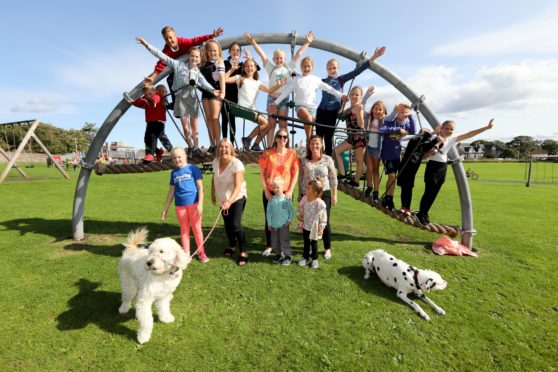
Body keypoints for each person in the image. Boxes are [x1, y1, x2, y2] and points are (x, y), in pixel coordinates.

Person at [136, 37, 220, 157]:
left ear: (199, 59)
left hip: (192, 99)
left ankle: (196, 148)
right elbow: (162, 56)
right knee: (186, 128)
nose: (194, 58)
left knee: (195, 128)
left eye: (197, 57)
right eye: (192, 56)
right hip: (180, 99)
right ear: (188, 56)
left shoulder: (197, 72)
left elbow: (205, 84)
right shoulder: (178, 65)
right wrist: (147, 45)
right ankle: (191, 147)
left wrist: (213, 91)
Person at [416, 119, 494, 226]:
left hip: (442, 167)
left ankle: (424, 213)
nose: (448, 131)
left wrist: (486, 128)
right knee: (428, 192)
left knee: (434, 193)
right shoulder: (434, 138)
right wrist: (431, 150)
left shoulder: (451, 140)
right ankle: (421, 214)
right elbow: (422, 150)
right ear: (441, 128)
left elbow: (469, 134)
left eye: (451, 129)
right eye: (446, 128)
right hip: (432, 166)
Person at [244, 31, 313, 146]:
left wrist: (307, 42)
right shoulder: (271, 68)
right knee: (271, 125)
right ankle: (270, 147)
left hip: (283, 100)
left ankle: (284, 146)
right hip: (272, 99)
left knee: (283, 125)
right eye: (276, 59)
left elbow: (298, 54)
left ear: (285, 59)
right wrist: (253, 42)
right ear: (274, 59)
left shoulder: (288, 68)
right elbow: (262, 55)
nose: (279, 60)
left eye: (281, 58)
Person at [316, 46, 386, 156]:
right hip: (320, 111)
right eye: (329, 68)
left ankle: (328, 163)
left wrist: (374, 57)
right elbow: (307, 81)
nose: (332, 70)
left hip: (332, 112)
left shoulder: (341, 79)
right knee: (318, 138)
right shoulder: (322, 81)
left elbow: (357, 72)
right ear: (326, 69)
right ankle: (316, 159)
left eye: (334, 68)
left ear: (338, 69)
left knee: (328, 137)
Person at [272, 56, 346, 143]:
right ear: (301, 67)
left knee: (310, 124)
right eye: (304, 66)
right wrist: (275, 102)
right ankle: (309, 139)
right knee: (308, 119)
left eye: (308, 66)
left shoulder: (316, 79)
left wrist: (341, 95)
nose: (306, 68)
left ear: (312, 67)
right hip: (300, 107)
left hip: (312, 110)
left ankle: (309, 144)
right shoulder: (296, 80)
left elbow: (329, 89)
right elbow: (286, 92)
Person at [224, 58, 286, 151]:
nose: (249, 68)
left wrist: (279, 85)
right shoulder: (240, 78)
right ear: (244, 68)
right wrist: (232, 69)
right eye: (247, 66)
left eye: (252, 66)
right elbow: (224, 79)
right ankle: (247, 139)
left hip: (251, 109)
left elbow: (269, 90)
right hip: (241, 108)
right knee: (265, 122)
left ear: (255, 68)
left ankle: (255, 144)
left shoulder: (258, 83)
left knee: (268, 124)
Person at [143, 26, 223, 97]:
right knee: (170, 79)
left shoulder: (183, 42)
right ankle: (175, 100)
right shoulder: (167, 50)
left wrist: (212, 36)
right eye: (166, 39)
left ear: (175, 35)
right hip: (182, 67)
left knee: (199, 78)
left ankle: (209, 91)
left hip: (193, 64)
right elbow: (161, 63)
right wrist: (153, 77)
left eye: (170, 37)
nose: (169, 41)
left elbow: (195, 40)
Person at [161, 147, 209, 263]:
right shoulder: (174, 173)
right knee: (184, 230)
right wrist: (165, 209)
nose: (177, 160)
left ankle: (201, 252)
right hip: (180, 206)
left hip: (194, 204)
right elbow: (171, 191)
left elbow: (200, 187)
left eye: (179, 157)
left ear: (185, 156)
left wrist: (200, 204)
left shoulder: (193, 168)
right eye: (174, 158)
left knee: (197, 229)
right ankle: (186, 253)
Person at [258, 129, 300, 257]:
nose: (282, 139)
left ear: (287, 139)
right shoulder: (267, 154)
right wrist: (266, 191)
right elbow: (262, 174)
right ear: (276, 138)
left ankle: (283, 246)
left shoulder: (292, 154)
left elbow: (295, 172)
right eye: (280, 137)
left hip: (285, 193)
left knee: (284, 221)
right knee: (270, 219)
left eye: (285, 137)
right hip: (270, 191)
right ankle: (270, 246)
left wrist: (291, 190)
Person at [299, 135, 337, 260]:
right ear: (309, 146)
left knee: (324, 221)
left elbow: (333, 177)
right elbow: (301, 178)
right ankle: (310, 246)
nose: (314, 146)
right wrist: (300, 193)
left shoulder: (327, 159)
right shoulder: (304, 160)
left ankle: (327, 248)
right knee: (308, 220)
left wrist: (334, 194)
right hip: (308, 194)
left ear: (321, 145)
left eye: (317, 143)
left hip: (324, 193)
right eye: (312, 143)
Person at [211, 139, 249, 266]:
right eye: (221, 147)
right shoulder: (215, 161)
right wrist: (212, 192)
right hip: (223, 198)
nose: (223, 149)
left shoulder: (237, 164)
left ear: (231, 149)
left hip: (237, 197)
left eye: (226, 147)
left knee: (235, 224)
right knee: (227, 224)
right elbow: (214, 177)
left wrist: (230, 201)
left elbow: (238, 186)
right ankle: (232, 245)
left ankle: (244, 251)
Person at [396, 129, 444, 216]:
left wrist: (437, 143)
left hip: (411, 170)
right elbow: (423, 139)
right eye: (422, 133)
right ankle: (405, 207)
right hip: (405, 168)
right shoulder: (413, 141)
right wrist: (435, 135)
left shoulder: (422, 146)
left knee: (408, 187)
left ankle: (406, 207)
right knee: (406, 187)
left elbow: (430, 145)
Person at [378, 103, 416, 211]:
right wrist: (397, 130)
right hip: (386, 154)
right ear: (396, 111)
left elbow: (413, 131)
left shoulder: (406, 125)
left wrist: (411, 116)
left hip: (396, 155)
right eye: (401, 111)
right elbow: (382, 130)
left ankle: (389, 198)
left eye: (405, 112)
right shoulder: (389, 121)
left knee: (394, 178)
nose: (402, 113)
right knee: (392, 176)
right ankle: (388, 198)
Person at [220, 43, 260, 142]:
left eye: (238, 50)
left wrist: (250, 58)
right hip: (225, 94)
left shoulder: (243, 64)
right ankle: (224, 142)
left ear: (240, 52)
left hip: (236, 96)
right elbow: (221, 77)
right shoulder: (225, 63)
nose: (235, 52)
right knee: (224, 119)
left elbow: (257, 68)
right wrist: (232, 69)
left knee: (232, 120)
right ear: (229, 52)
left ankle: (232, 145)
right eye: (233, 50)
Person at [334, 85, 367, 187]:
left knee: (358, 160)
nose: (354, 96)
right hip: (351, 137)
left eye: (357, 94)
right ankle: (343, 174)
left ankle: (356, 181)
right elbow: (340, 113)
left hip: (359, 136)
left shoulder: (359, 107)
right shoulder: (349, 109)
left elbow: (361, 125)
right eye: (352, 94)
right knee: (336, 151)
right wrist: (344, 102)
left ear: (360, 97)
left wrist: (360, 113)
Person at [130, 85, 170, 162]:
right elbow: (137, 103)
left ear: (154, 91)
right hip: (150, 122)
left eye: (150, 94)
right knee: (146, 139)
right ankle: (158, 152)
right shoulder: (146, 99)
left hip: (159, 121)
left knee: (153, 137)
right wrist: (134, 101)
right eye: (146, 94)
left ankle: (151, 155)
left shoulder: (157, 96)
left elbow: (156, 98)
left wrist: (154, 100)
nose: (148, 96)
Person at [200, 39, 226, 153]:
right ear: (207, 51)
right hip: (205, 93)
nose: (213, 53)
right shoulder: (203, 63)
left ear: (219, 51)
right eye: (210, 51)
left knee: (215, 118)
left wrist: (223, 92)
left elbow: (221, 78)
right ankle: (212, 144)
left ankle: (218, 143)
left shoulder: (219, 61)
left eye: (215, 51)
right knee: (209, 119)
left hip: (216, 91)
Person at [297, 178, 328, 269]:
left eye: (308, 188)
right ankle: (305, 258)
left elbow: (323, 216)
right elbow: (300, 207)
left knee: (314, 244)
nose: (306, 189)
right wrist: (299, 215)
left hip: (315, 227)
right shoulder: (304, 199)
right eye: (306, 187)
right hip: (306, 225)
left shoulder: (319, 203)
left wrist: (321, 227)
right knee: (306, 242)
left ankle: (314, 259)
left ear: (315, 193)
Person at [363, 89, 387, 203]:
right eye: (376, 109)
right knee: (369, 169)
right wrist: (367, 95)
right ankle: (369, 186)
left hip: (377, 149)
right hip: (368, 147)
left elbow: (392, 117)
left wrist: (396, 111)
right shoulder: (368, 118)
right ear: (372, 109)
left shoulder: (384, 120)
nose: (377, 111)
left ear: (383, 112)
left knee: (376, 170)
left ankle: (376, 191)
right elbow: (362, 106)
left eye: (380, 109)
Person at [266, 177, 294, 266]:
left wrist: (289, 220)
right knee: (275, 240)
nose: (276, 189)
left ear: (283, 187)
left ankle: (287, 256)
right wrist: (269, 223)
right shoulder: (271, 200)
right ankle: (278, 254)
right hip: (274, 225)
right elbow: (268, 212)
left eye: (278, 187)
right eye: (274, 187)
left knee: (284, 240)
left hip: (284, 224)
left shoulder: (286, 199)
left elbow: (291, 211)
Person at [154, 85, 174, 161]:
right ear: (155, 91)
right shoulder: (155, 99)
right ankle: (158, 152)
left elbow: (171, 106)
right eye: (159, 91)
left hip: (160, 122)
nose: (161, 93)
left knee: (161, 136)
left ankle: (172, 151)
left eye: (163, 91)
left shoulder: (164, 102)